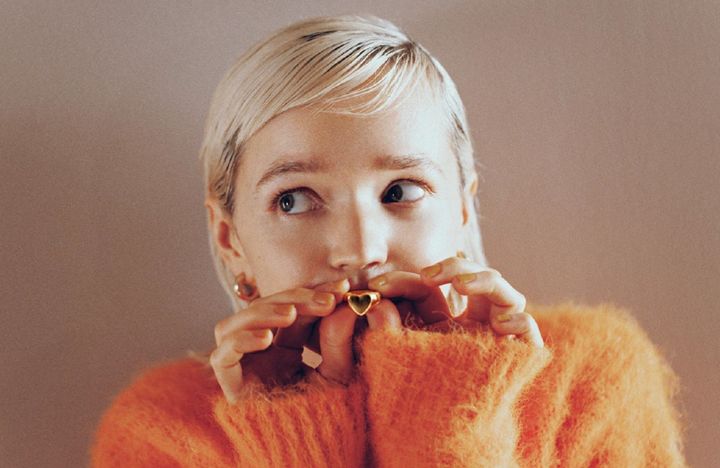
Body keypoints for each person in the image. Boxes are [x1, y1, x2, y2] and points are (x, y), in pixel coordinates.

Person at [91, 14, 688, 467]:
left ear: (461, 208)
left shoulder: (593, 378)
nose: (360, 250)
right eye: (294, 199)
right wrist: (291, 431)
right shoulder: (159, 433)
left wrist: (454, 419)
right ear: (231, 241)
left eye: (400, 190)